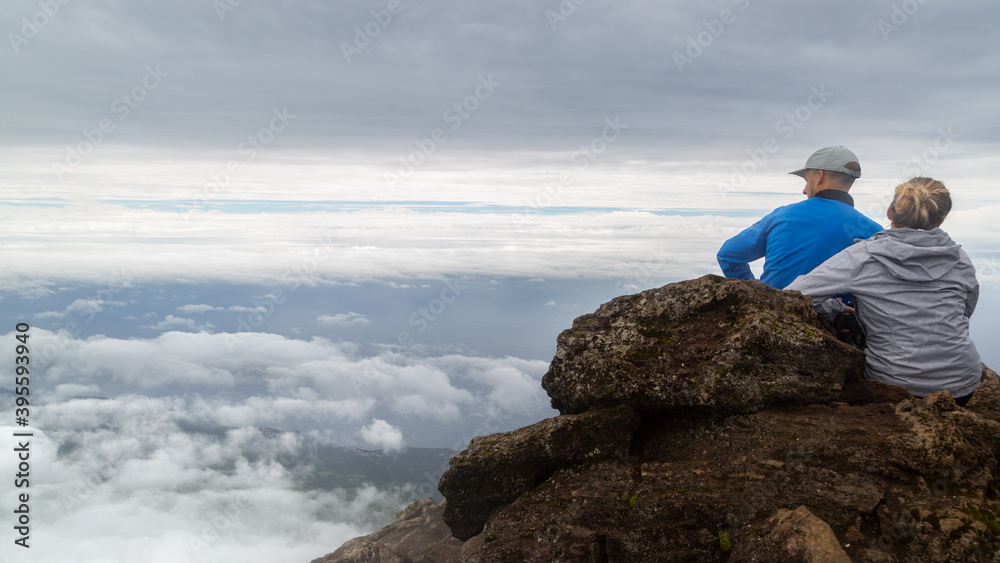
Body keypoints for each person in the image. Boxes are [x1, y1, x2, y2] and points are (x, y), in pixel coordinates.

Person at [786, 178, 981, 405]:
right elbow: (966, 310)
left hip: (893, 384)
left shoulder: (864, 256)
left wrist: (837, 310)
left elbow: (793, 294)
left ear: (890, 212)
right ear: (940, 221)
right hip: (961, 386)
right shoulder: (958, 259)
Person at [717, 146, 883, 289]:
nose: (804, 190)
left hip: (772, 311)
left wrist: (759, 296)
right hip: (836, 316)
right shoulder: (874, 232)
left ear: (820, 176)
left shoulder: (782, 216)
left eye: (807, 180)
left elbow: (727, 254)